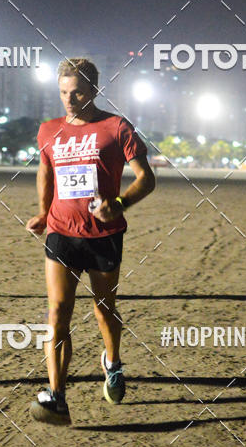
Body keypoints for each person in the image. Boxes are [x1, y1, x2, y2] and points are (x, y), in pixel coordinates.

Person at [26, 58, 156, 425]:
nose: (69, 99)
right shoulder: (48, 130)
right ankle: (57, 397)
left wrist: (120, 203)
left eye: (77, 92)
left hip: (103, 237)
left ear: (94, 90)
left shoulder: (116, 127)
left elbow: (146, 178)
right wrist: (43, 211)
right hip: (60, 232)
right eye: (64, 92)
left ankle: (112, 362)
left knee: (103, 309)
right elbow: (46, 170)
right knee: (57, 313)